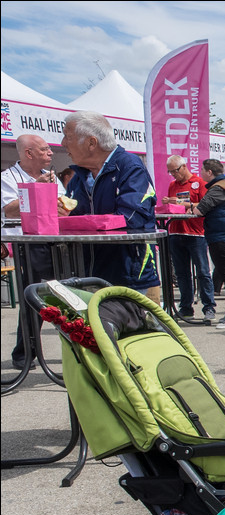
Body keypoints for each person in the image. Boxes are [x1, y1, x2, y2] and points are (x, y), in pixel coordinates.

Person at [62, 110, 160, 302]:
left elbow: (131, 218)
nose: (63, 143)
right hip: (88, 273)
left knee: (125, 331)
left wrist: (80, 222)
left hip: (126, 274)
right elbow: (73, 216)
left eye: (68, 136)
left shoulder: (130, 167)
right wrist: (63, 215)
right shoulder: (80, 176)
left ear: (92, 142)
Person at [3, 133, 68, 369]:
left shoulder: (51, 177)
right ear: (29, 153)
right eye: (44, 149)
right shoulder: (7, 178)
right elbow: (9, 210)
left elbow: (63, 205)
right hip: (28, 244)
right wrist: (35, 190)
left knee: (64, 296)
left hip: (56, 241)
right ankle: (24, 353)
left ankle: (73, 348)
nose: (50, 153)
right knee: (34, 298)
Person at [190, 159, 225, 330]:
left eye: (202, 170)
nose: (200, 172)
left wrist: (191, 207)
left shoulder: (217, 188)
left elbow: (199, 210)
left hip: (221, 237)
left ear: (209, 172)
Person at [165, 156, 215, 321]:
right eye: (170, 171)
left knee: (202, 271)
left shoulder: (199, 183)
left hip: (195, 233)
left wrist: (179, 202)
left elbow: (204, 204)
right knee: (182, 273)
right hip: (176, 232)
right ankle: (186, 307)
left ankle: (209, 307)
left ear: (183, 167)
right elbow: (173, 207)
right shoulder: (172, 185)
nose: (173, 174)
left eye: (175, 171)